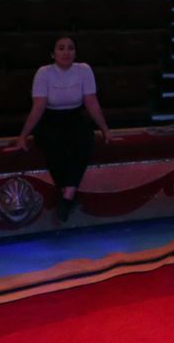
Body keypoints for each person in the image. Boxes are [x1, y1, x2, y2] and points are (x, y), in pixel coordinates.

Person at [7, 35, 112, 222]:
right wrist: (23, 136)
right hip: (50, 118)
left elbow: (91, 102)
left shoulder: (84, 70)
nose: (66, 52)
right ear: (52, 53)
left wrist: (105, 129)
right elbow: (39, 106)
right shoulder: (44, 72)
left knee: (84, 140)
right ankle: (67, 195)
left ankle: (67, 195)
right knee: (53, 144)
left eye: (70, 48)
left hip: (74, 117)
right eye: (61, 48)